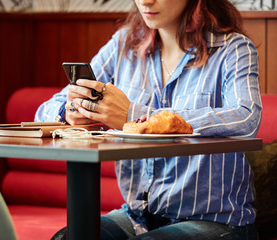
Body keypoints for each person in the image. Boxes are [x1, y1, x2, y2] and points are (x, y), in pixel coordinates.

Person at [35, 0, 262, 239]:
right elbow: (46, 110)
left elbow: (246, 117)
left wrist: (134, 115)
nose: (145, 1)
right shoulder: (123, 45)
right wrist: (69, 112)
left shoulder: (233, 49)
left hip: (216, 222)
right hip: (138, 217)